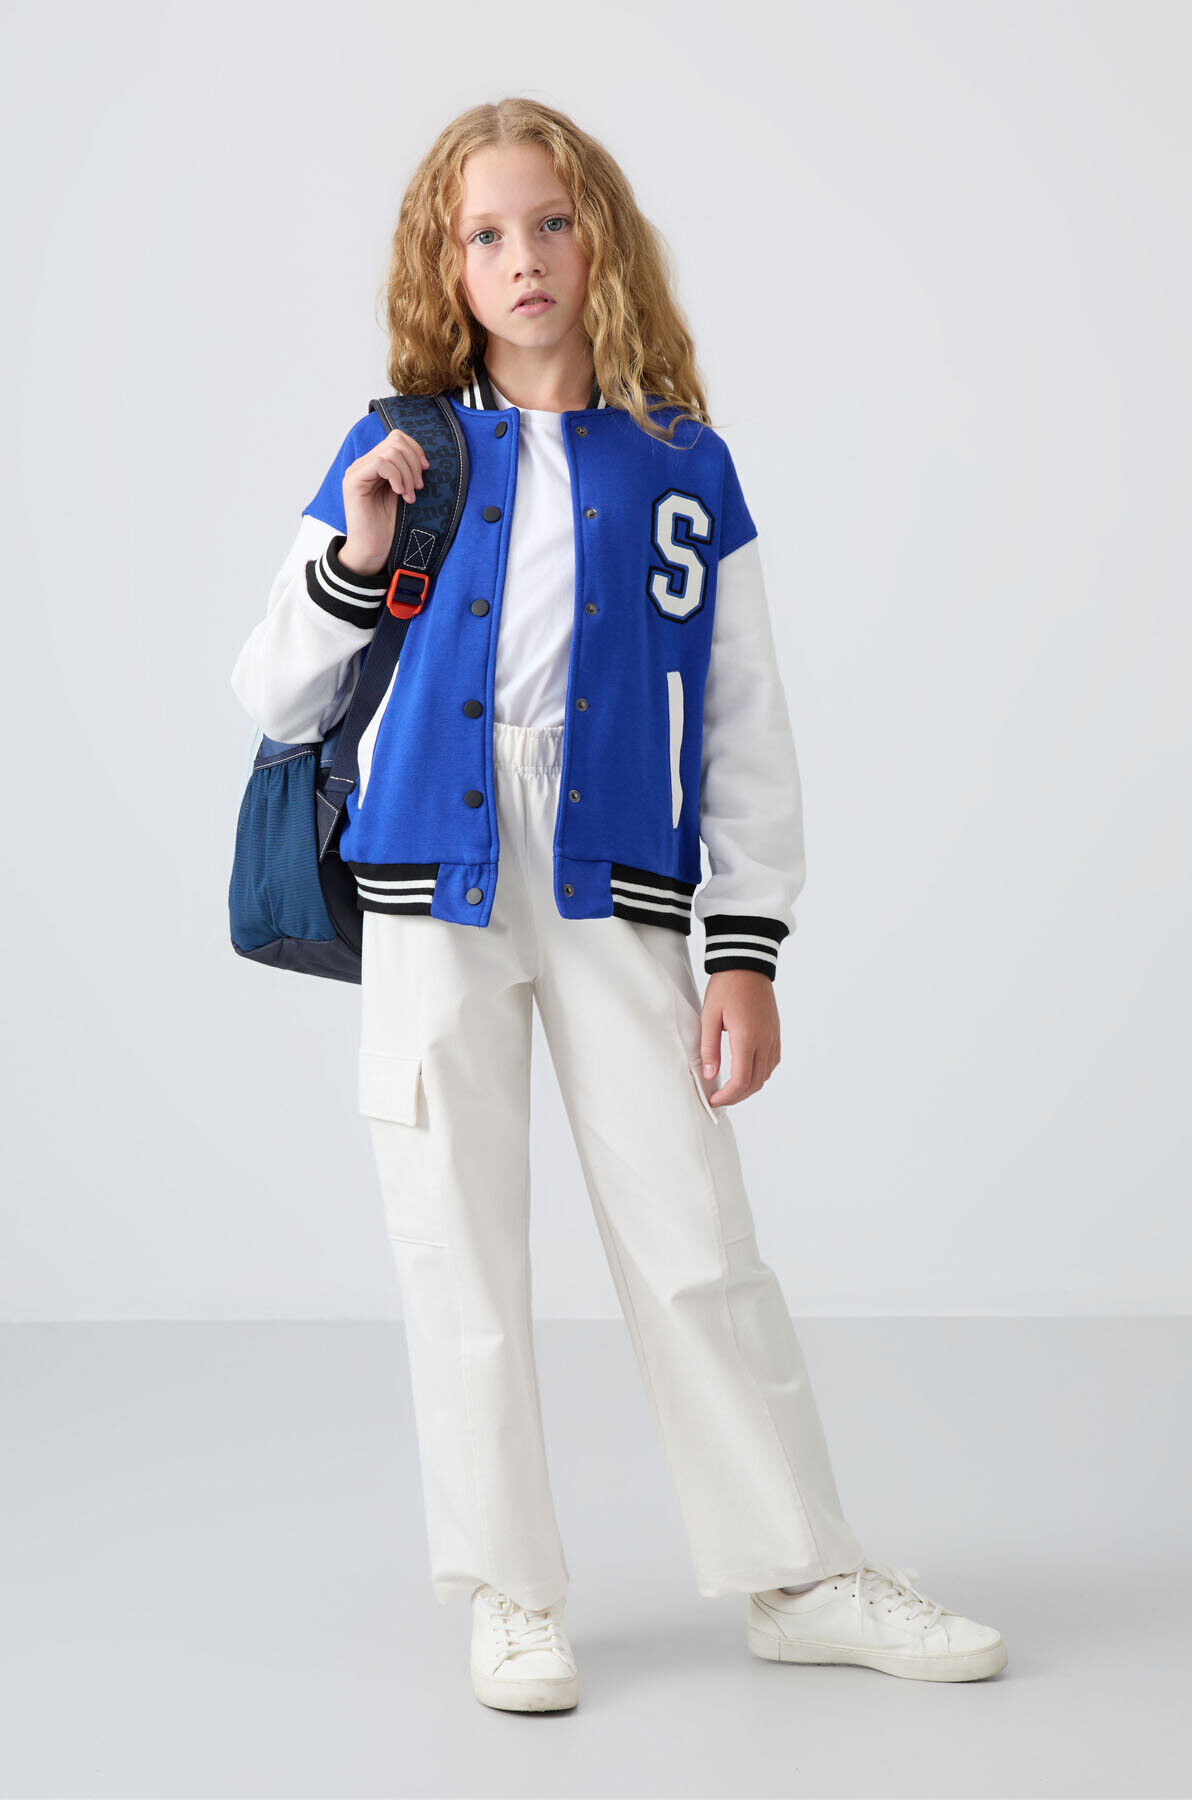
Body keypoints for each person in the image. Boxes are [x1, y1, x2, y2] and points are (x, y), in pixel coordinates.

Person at [230, 97, 1007, 1713]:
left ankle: (800, 1572)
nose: (523, 257)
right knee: (455, 1240)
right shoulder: (405, 453)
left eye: (551, 222)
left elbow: (742, 718)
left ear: (602, 244)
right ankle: (510, 1593)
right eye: (486, 234)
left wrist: (746, 947)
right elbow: (274, 693)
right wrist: (356, 551)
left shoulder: (681, 467)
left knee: (693, 1234)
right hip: (432, 878)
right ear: (448, 267)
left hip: (615, 876)